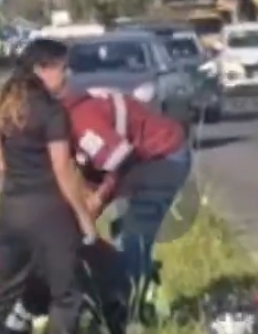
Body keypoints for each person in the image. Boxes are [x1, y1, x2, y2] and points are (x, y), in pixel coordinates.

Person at [0, 39, 99, 334]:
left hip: (13, 211)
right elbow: (63, 170)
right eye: (63, 68)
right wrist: (85, 220)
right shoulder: (52, 112)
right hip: (50, 213)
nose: (67, 75)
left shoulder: (6, 107)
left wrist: (21, 166)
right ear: (42, 70)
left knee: (3, 294)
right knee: (67, 294)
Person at [62, 83, 191, 305]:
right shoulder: (71, 117)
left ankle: (130, 308)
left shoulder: (82, 123)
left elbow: (122, 163)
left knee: (133, 237)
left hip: (163, 157)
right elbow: (94, 169)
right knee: (113, 229)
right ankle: (137, 280)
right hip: (138, 159)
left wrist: (99, 199)